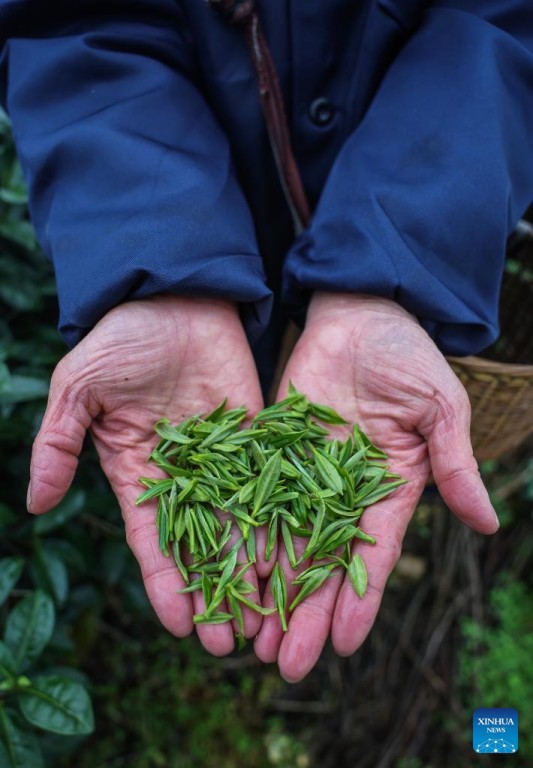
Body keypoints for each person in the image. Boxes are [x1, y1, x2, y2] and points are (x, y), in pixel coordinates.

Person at [1, 0, 531, 682]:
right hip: (202, 222)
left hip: (399, 243)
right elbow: (75, 23)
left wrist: (396, 267)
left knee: (365, 489)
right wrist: (157, 262)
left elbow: (504, 24)